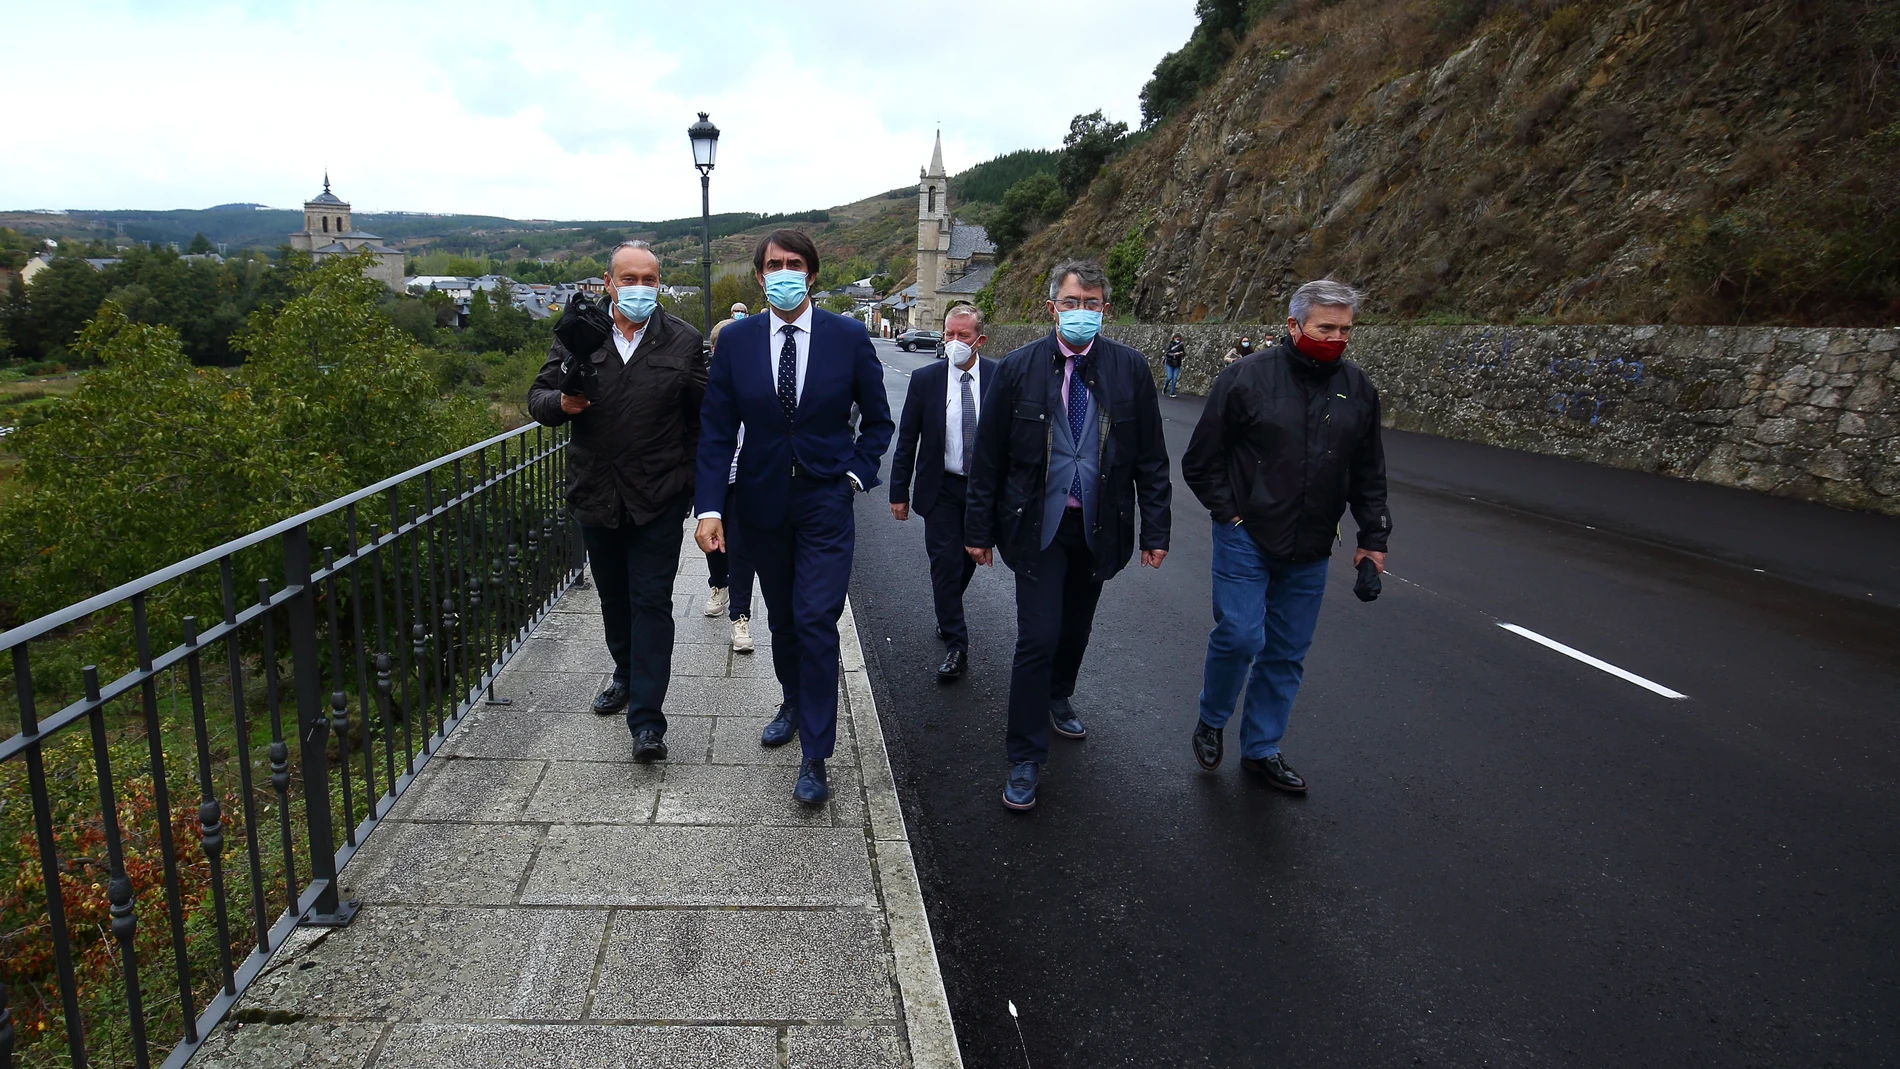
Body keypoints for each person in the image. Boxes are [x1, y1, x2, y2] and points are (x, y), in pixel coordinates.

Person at [694, 229, 894, 806]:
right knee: (782, 620)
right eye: (774, 264)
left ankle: (815, 753)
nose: (784, 272)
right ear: (760, 275)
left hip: (825, 501)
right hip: (759, 504)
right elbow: (715, 430)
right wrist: (709, 506)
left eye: (795, 263)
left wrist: (855, 475)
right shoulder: (736, 342)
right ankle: (789, 700)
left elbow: (879, 421)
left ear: (812, 273)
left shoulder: (848, 337)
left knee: (815, 620)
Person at [964, 259, 1172, 812]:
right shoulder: (1017, 369)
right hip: (1037, 528)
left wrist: (1157, 528)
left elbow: (1151, 457)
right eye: (1074, 303)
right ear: (1052, 307)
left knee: (1075, 628)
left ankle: (1059, 694)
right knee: (1037, 637)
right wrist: (978, 529)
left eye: (1094, 304)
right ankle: (1025, 757)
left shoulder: (1130, 370)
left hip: (1099, 527)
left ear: (1106, 310)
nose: (1084, 313)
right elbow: (989, 459)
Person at [1180, 279, 1391, 793]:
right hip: (1246, 535)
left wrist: (1373, 537)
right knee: (1241, 635)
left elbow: (1368, 470)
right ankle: (1212, 718)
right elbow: (1200, 461)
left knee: (1286, 651)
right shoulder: (1245, 379)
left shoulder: (1358, 389)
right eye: (1326, 327)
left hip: (1313, 543)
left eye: (1345, 329)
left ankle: (1261, 749)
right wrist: (1230, 516)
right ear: (1294, 325)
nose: (1336, 338)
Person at [528, 240, 704, 763]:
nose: (640, 288)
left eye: (649, 279)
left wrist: (694, 487)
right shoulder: (578, 336)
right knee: (614, 599)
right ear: (609, 283)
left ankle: (648, 722)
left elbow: (701, 419)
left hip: (658, 497)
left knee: (652, 603)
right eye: (630, 278)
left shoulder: (683, 340)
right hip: (596, 494)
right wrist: (560, 401)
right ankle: (625, 673)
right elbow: (537, 399)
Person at [889, 304, 998, 681]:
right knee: (946, 564)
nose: (953, 342)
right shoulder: (927, 380)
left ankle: (947, 609)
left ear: (979, 340)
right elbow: (907, 440)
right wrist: (898, 492)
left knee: (967, 561)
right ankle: (956, 644)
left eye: (962, 336)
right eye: (948, 334)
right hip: (942, 489)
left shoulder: (1001, 378)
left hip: (984, 491)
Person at [1162, 332, 1186, 396]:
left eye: (1179, 339)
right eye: (1177, 339)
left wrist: (1181, 354)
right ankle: (1165, 386)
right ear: (1174, 338)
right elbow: (1167, 353)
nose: (1178, 340)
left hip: (1177, 363)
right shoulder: (1169, 344)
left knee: (1175, 378)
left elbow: (1184, 353)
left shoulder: (1181, 345)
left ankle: (1172, 392)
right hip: (1169, 362)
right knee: (1169, 377)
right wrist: (1174, 354)